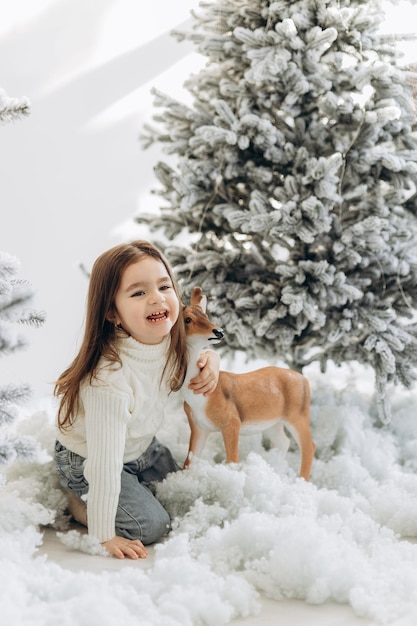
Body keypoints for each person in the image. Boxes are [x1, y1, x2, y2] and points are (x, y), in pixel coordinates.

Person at [54, 240, 220, 560]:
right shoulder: (109, 380)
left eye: (163, 286)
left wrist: (210, 360)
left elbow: (198, 353)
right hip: (91, 458)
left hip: (142, 448)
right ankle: (78, 500)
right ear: (112, 312)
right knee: (151, 525)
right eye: (138, 293)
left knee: (186, 492)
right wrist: (104, 534)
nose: (157, 298)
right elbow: (104, 464)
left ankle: (130, 488)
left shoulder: (169, 341)